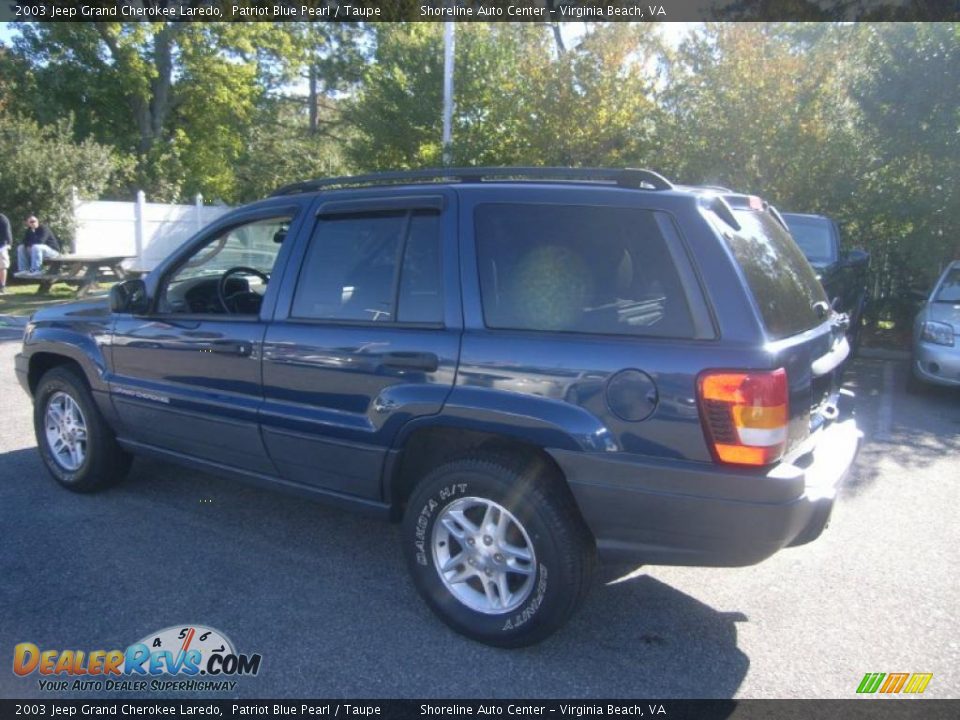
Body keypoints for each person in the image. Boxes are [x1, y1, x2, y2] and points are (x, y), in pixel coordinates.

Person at [0, 212, 12, 293]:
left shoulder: (2, 218)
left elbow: (7, 232)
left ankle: (2, 287)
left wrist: (9, 244)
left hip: (2, 245)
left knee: (2, 266)